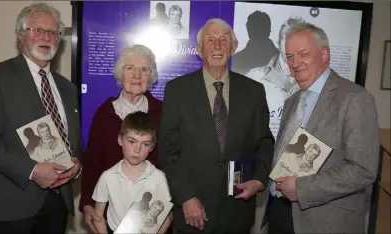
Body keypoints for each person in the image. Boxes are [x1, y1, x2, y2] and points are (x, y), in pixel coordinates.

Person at [0, 3, 82, 234]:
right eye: (37, 30)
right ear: (22, 35)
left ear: (59, 38)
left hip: (58, 204)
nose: (46, 37)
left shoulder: (68, 89)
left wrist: (76, 165)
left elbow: (73, 141)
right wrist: (32, 170)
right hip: (14, 204)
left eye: (52, 32)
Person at [158, 18, 275, 234]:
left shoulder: (254, 91)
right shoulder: (177, 90)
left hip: (237, 211)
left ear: (234, 47)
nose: (218, 46)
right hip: (192, 211)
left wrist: (259, 179)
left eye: (224, 39)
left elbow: (265, 142)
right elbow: (167, 151)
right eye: (210, 40)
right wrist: (186, 197)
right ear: (199, 49)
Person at [264, 19, 380, 234]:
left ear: (325, 55)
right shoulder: (292, 101)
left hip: (325, 221)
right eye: (289, 57)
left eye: (303, 54)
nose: (295, 63)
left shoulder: (355, 98)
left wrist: (301, 188)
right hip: (280, 213)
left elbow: (363, 170)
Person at [79, 44, 163, 233]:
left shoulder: (162, 112)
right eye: (130, 68)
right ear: (120, 73)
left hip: (151, 210)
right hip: (111, 210)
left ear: (151, 77)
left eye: (144, 70)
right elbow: (93, 161)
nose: (136, 75)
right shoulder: (104, 113)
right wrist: (88, 203)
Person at [91, 112, 172, 234]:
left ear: (152, 147)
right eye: (131, 141)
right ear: (120, 140)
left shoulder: (158, 177)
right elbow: (97, 217)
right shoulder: (108, 177)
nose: (137, 149)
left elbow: (166, 217)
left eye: (145, 144)